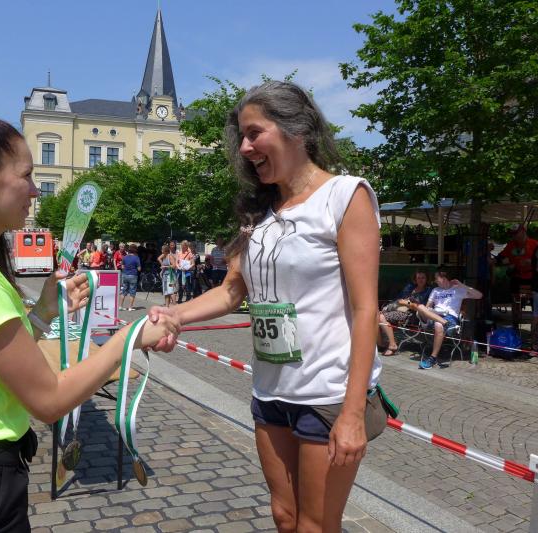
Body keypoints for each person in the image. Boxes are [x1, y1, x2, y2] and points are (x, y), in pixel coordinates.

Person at [0, 106, 179, 531]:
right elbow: (49, 400)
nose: (35, 191)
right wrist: (128, 338)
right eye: (26, 176)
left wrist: (43, 311)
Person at [148, 81, 387, 532]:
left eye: (254, 133)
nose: (244, 147)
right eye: (242, 136)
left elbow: (364, 309)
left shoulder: (345, 196)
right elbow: (232, 291)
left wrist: (353, 412)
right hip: (271, 389)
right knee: (284, 515)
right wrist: (175, 315)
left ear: (297, 130)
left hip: (327, 393)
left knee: (315, 525)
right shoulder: (259, 211)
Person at [416, 270, 483, 369]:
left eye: (437, 278)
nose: (435, 281)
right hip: (434, 316)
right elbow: (427, 307)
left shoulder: (457, 290)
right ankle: (443, 322)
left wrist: (462, 285)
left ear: (444, 278)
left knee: (438, 325)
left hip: (450, 317)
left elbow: (479, 295)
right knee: (420, 307)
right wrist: (430, 310)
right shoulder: (435, 290)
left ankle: (432, 358)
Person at [378, 270, 432, 356]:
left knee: (380, 317)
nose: (420, 280)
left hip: (411, 314)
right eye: (418, 278)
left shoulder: (428, 291)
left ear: (427, 279)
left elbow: (423, 307)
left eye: (423, 278)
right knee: (376, 316)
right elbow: (398, 299)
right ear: (415, 279)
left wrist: (407, 303)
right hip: (399, 310)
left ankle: (392, 345)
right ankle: (381, 344)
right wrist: (390, 307)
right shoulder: (410, 287)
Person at [498, 224, 538, 326]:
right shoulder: (511, 244)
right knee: (515, 303)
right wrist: (505, 262)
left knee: (535, 303)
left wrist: (531, 262)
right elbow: (500, 257)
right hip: (517, 277)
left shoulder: (534, 244)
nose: (514, 236)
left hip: (532, 278)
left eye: (516, 233)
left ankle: (536, 327)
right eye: (512, 234)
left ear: (523, 232)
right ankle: (515, 325)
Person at [120, 244, 141, 311]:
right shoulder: (136, 258)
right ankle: (130, 307)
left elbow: (122, 267)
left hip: (125, 275)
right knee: (132, 291)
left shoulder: (125, 257)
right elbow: (139, 269)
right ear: (135, 250)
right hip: (133, 275)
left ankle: (121, 306)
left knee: (124, 291)